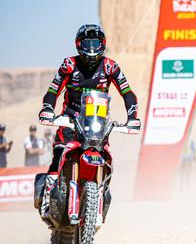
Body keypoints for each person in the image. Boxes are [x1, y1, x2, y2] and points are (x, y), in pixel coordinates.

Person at [36, 24, 140, 216]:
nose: (91, 48)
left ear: (103, 44)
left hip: (97, 124)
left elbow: (128, 93)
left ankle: (101, 194)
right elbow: (53, 91)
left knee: (107, 158)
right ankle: (47, 198)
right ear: (78, 44)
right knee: (59, 154)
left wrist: (133, 117)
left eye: (95, 43)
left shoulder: (111, 67)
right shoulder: (69, 65)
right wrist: (48, 109)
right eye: (87, 43)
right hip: (69, 121)